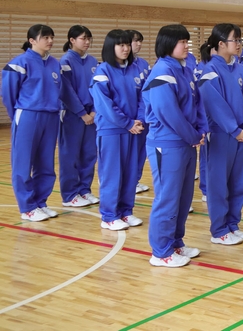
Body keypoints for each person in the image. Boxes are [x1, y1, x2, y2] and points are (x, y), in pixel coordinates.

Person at [142, 24, 207, 267]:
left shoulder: (183, 69)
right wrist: (192, 135)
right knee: (168, 197)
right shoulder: (162, 71)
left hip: (186, 142)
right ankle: (160, 251)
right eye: (181, 41)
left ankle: (175, 242)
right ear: (168, 44)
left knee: (183, 197)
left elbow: (196, 104)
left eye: (187, 41)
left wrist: (199, 131)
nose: (186, 46)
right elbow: (168, 112)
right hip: (167, 143)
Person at [196, 24, 243, 245]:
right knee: (219, 184)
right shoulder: (210, 71)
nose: (239, 45)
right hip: (222, 135)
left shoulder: (241, 70)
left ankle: (232, 223)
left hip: (242, 134)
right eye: (235, 40)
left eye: (240, 40)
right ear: (221, 44)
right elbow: (214, 105)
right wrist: (234, 129)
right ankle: (219, 229)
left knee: (239, 183)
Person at [2, 24, 65, 223]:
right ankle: (27, 207)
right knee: (23, 162)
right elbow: (8, 94)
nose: (50, 41)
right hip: (28, 115)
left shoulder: (55, 63)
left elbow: (60, 91)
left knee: (46, 162)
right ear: (32, 40)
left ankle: (40, 202)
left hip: (51, 116)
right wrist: (20, 116)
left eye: (51, 37)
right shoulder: (19, 63)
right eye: (45, 37)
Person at [91, 29, 145, 231]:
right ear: (110, 47)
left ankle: (125, 211)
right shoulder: (103, 71)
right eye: (120, 45)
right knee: (112, 173)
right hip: (112, 131)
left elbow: (142, 98)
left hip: (133, 129)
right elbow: (105, 104)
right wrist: (127, 123)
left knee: (131, 172)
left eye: (127, 44)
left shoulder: (134, 70)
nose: (125, 48)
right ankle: (109, 215)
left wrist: (138, 120)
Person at [59, 25, 100, 208]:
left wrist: (93, 111)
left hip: (91, 115)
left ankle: (85, 189)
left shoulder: (93, 62)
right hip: (73, 115)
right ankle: (69, 194)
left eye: (89, 38)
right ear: (72, 40)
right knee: (70, 155)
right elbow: (66, 91)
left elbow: (97, 89)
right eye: (83, 38)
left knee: (89, 154)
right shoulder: (66, 61)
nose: (87, 42)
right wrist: (82, 113)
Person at [128, 30, 151, 194]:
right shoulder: (121, 66)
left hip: (143, 117)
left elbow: (147, 91)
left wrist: (143, 116)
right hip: (129, 119)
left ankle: (134, 180)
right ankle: (126, 180)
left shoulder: (143, 64)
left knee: (140, 152)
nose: (139, 44)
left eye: (140, 41)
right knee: (128, 153)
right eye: (135, 41)